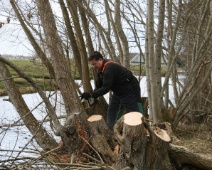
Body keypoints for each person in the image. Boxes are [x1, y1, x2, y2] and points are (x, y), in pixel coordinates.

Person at [81, 51, 144, 129]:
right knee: (112, 110)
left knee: (134, 112)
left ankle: (143, 128)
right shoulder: (101, 70)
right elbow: (99, 86)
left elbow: (106, 88)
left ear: (100, 60)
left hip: (130, 89)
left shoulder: (109, 68)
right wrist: (93, 96)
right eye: (92, 65)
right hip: (118, 90)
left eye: (94, 64)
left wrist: (92, 95)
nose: (94, 67)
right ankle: (111, 130)